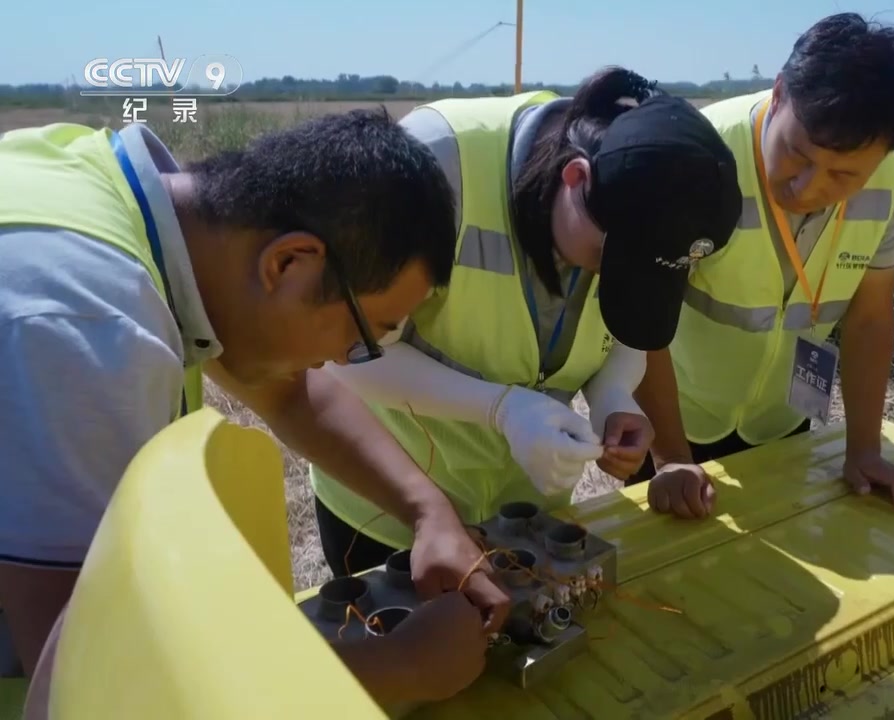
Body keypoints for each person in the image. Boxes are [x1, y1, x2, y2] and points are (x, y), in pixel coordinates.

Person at [0, 109, 492, 709]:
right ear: (288, 263)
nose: (347, 356)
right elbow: (90, 686)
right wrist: (403, 668)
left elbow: (288, 392)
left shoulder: (116, 202)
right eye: (365, 332)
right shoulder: (91, 326)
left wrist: (427, 511)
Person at [313, 66, 742, 576]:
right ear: (576, 178)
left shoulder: (629, 215)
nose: (608, 277)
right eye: (610, 259)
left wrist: (612, 398)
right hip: (389, 507)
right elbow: (344, 350)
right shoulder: (436, 165)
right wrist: (501, 409)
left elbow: (624, 329)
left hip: (524, 519)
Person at [628, 13, 894, 518]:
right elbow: (641, 321)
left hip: (783, 421)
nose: (808, 186)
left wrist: (863, 451)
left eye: (843, 174)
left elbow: (870, 317)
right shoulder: (696, 159)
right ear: (778, 93)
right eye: (796, 153)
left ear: (886, 153)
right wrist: (671, 460)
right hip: (672, 420)